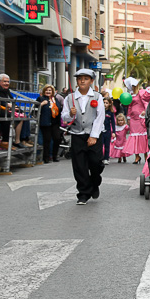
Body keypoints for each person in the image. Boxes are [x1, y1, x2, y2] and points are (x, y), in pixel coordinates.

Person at [60, 69, 105, 205]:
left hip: (94, 133)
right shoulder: (70, 98)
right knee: (79, 165)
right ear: (77, 81)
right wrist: (70, 114)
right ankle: (83, 193)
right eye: (80, 78)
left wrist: (93, 136)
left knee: (95, 162)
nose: (82, 81)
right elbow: (64, 116)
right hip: (77, 134)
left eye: (86, 78)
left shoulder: (97, 96)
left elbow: (99, 117)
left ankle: (95, 182)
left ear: (91, 81)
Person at [122, 79, 149, 164]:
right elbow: (129, 107)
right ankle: (137, 157)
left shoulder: (141, 92)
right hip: (133, 119)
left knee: (143, 138)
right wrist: (128, 118)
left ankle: (146, 155)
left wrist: (146, 111)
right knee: (134, 138)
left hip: (141, 117)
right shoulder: (130, 95)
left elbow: (145, 102)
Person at [37, 85, 60, 163]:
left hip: (55, 122)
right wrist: (42, 104)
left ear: (52, 91)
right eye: (46, 90)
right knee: (47, 140)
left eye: (50, 90)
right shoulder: (41, 99)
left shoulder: (56, 100)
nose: (48, 92)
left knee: (57, 138)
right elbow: (35, 109)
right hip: (46, 122)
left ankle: (54, 156)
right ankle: (46, 157)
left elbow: (60, 109)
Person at [101, 96, 116, 164]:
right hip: (100, 131)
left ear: (110, 104)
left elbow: (113, 122)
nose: (105, 104)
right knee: (100, 145)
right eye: (104, 102)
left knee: (107, 145)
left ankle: (106, 158)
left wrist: (114, 132)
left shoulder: (110, 112)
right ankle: (100, 157)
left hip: (107, 131)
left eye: (106, 103)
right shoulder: (100, 111)